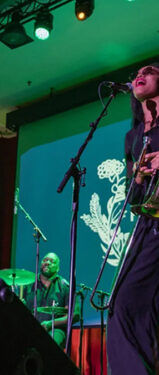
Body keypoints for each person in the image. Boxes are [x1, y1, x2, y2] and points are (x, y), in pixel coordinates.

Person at [107, 63, 159, 374]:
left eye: (150, 70)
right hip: (147, 225)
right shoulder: (133, 137)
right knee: (123, 304)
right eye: (135, 74)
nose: (139, 75)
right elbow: (133, 199)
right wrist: (137, 178)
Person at [24, 252, 79, 349]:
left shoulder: (66, 287)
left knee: (50, 345)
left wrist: (50, 324)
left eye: (52, 261)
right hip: (31, 328)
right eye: (45, 260)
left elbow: (75, 315)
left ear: (58, 268)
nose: (47, 263)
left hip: (55, 329)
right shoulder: (28, 285)